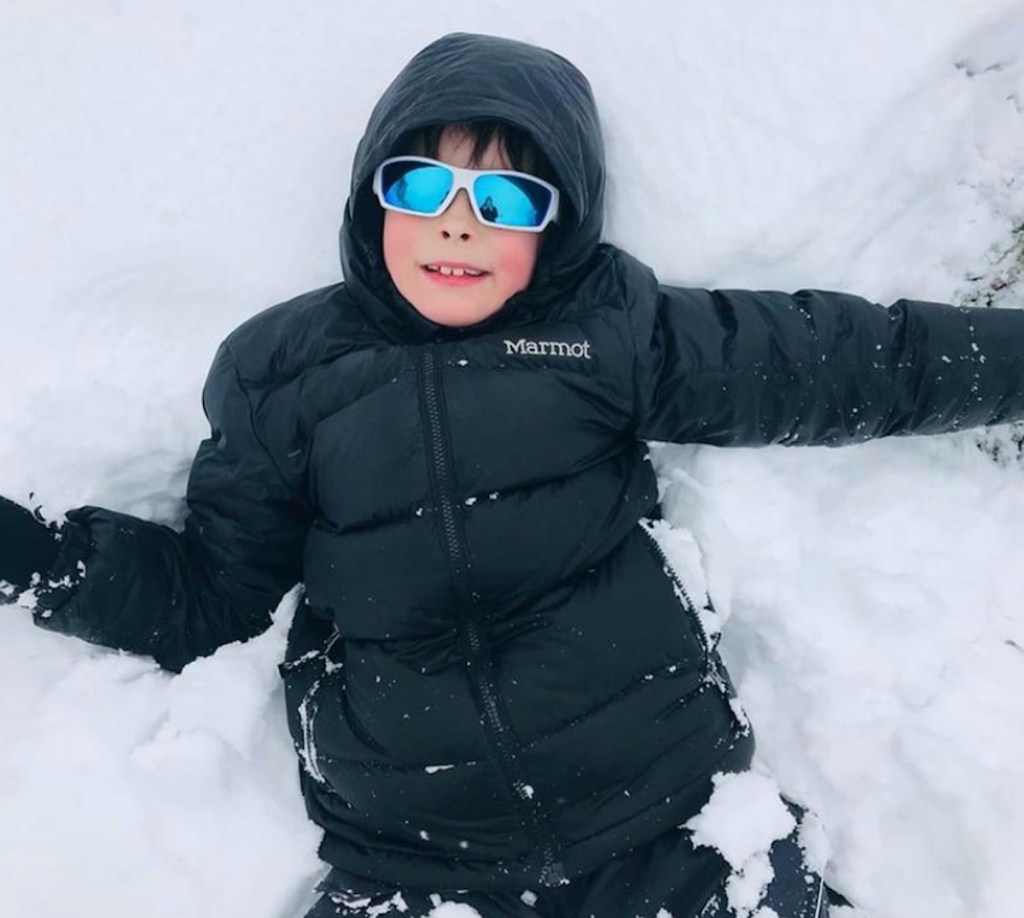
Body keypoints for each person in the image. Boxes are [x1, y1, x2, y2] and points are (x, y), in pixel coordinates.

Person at [1, 30, 1022, 918]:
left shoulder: (611, 331)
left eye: (503, 195)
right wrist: (38, 559)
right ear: (372, 202)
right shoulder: (285, 375)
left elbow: (838, 360)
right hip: (412, 855)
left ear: (561, 224)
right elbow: (211, 600)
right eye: (420, 185)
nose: (457, 221)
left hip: (661, 818)